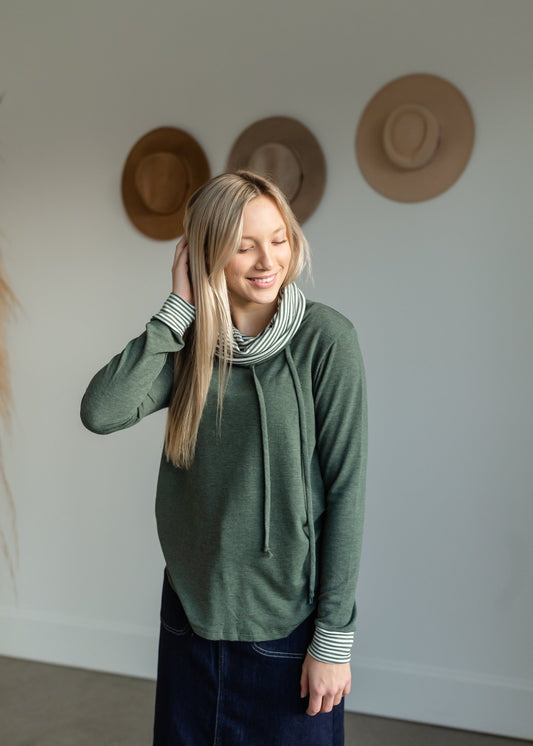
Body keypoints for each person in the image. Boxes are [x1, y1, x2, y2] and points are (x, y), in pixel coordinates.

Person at [81, 170, 367, 746]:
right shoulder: (189, 344)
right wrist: (176, 310)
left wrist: (333, 639)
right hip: (190, 617)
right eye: (243, 245)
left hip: (287, 628)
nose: (268, 260)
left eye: (279, 238)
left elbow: (345, 492)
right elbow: (101, 411)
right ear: (207, 253)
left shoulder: (325, 340)